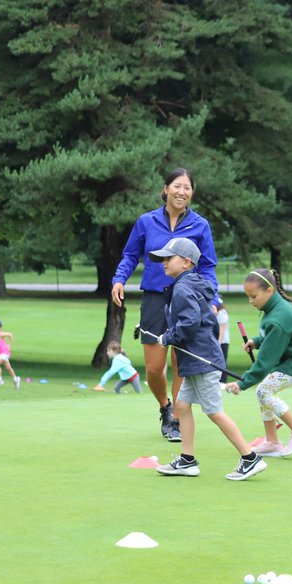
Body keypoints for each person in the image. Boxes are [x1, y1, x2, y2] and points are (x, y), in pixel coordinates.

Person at [110, 168, 220, 443]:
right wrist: (119, 279)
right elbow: (130, 254)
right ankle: (165, 407)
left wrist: (212, 299)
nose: (182, 192)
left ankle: (177, 420)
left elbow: (208, 267)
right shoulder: (146, 222)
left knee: (180, 363)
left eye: (187, 188)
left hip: (188, 298)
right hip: (155, 299)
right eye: (177, 186)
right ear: (166, 189)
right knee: (154, 368)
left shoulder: (200, 225)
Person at [150, 238, 266, 481]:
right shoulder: (187, 285)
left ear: (185, 262)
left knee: (214, 411)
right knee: (181, 406)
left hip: (201, 361)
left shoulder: (182, 288)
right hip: (196, 360)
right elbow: (208, 324)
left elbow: (190, 323)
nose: (163, 263)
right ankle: (187, 460)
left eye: (168, 258)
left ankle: (250, 458)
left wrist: (168, 337)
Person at [223, 268, 292, 457]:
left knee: (263, 389)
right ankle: (272, 442)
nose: (251, 301)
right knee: (263, 392)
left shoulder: (277, 317)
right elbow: (274, 337)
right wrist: (256, 341)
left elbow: (265, 362)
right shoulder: (273, 309)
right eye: (248, 297)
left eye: (253, 296)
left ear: (269, 291)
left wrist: (242, 383)